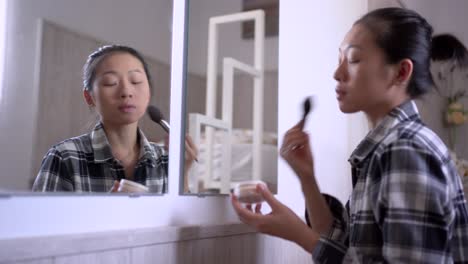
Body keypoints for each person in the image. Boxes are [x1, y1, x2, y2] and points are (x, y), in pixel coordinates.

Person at [231, 7, 468, 263]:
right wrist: (306, 176)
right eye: (339, 58)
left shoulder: (405, 149)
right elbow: (342, 245)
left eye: (353, 59)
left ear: (401, 72)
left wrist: (299, 234)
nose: (337, 73)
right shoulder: (384, 148)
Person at [32, 45, 198, 193]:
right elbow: (38, 225)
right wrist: (107, 212)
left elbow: (179, 224)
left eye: (136, 81)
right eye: (110, 82)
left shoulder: (166, 160)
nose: (126, 91)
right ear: (89, 97)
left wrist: (181, 173)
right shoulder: (65, 157)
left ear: (148, 93)